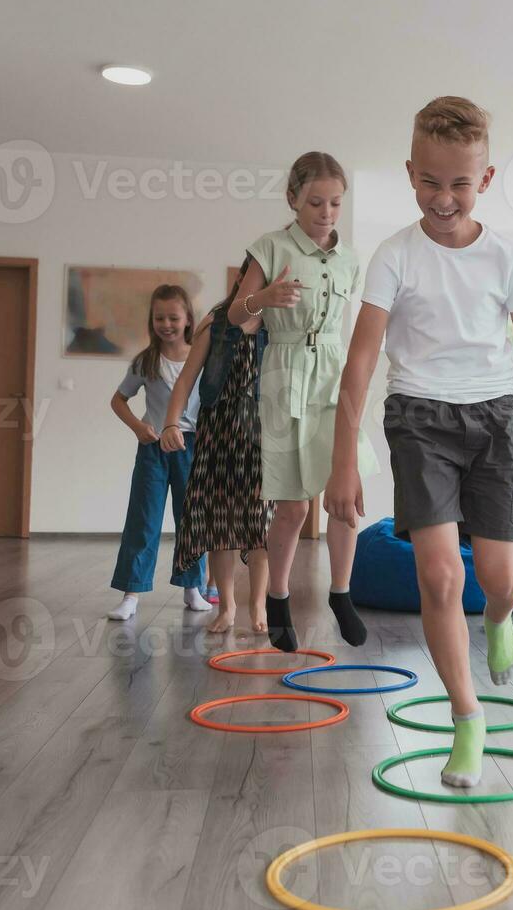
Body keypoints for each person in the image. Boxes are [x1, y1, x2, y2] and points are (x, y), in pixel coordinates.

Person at [326, 96, 513, 787]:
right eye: (430, 181)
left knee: (502, 580)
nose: (443, 197)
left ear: (485, 180)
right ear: (410, 173)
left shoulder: (506, 257)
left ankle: (498, 619)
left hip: (494, 421)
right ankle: (467, 719)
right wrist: (344, 461)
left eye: (460, 183)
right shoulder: (393, 256)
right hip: (418, 420)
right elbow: (362, 358)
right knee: (439, 575)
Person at [226, 152, 377, 651]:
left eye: (335, 202)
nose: (327, 211)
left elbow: (352, 328)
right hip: (286, 374)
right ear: (293, 198)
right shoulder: (269, 248)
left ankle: (341, 592)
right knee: (291, 506)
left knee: (346, 496)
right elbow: (234, 317)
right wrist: (264, 298)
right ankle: (277, 597)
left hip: (335, 377)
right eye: (316, 201)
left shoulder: (351, 258)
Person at [162, 260, 273, 635]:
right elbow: (186, 380)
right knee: (218, 522)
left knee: (262, 523)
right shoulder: (217, 323)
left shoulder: (278, 327)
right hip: (218, 433)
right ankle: (226, 606)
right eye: (252, 279)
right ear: (241, 279)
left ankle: (259, 605)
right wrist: (171, 422)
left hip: (263, 436)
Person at [106, 284, 209, 621]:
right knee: (143, 519)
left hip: (191, 447)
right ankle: (131, 594)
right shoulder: (146, 361)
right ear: (152, 321)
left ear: (187, 320)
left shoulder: (201, 358)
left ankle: (193, 588)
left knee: (191, 520)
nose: (167, 323)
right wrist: (138, 427)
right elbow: (118, 401)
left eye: (173, 317)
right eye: (160, 317)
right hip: (152, 449)